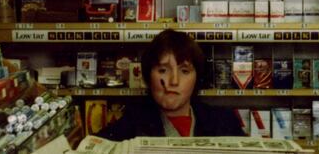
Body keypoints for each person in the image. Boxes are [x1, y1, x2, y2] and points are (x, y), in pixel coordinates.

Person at [97, 29, 245, 141]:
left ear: (197, 78)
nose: (174, 81)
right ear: (148, 76)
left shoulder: (225, 121)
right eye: (163, 70)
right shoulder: (128, 126)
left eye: (184, 71)